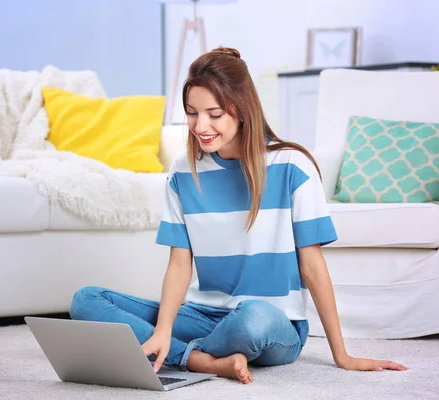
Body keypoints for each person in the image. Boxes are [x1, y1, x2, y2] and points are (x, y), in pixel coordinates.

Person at [69, 46, 408, 384]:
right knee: (87, 300)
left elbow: (312, 265)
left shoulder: (292, 166)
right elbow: (179, 264)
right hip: (202, 316)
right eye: (191, 113)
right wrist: (164, 327)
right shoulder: (184, 173)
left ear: (241, 109)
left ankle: (182, 355)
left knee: (252, 317)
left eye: (214, 114)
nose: (201, 126)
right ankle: (202, 360)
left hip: (273, 326)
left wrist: (342, 355)